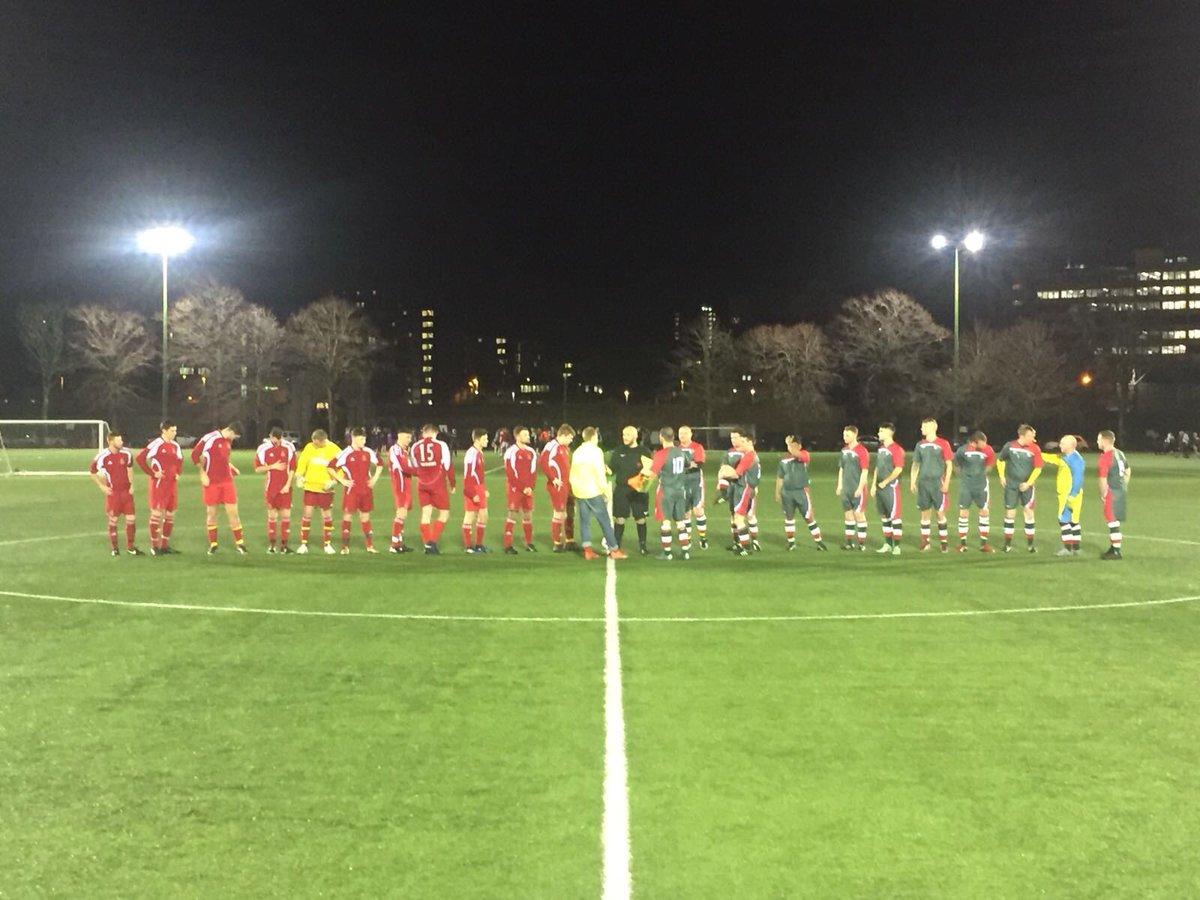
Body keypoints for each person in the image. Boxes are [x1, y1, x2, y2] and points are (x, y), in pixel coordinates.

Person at [570, 427, 628, 560]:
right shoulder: (596, 452)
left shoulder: (577, 452)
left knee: (584, 522)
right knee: (604, 521)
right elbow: (599, 473)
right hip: (593, 491)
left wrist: (575, 489)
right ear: (594, 437)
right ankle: (614, 549)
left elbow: (572, 473)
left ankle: (587, 550)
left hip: (580, 491)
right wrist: (605, 491)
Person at [191, 422, 246, 555]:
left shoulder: (227, 441)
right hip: (212, 483)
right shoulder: (210, 438)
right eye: (235, 436)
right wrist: (202, 474)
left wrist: (232, 468)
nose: (234, 439)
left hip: (227, 482)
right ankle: (213, 544)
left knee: (233, 512)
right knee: (212, 513)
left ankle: (240, 544)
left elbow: (223, 459)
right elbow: (194, 455)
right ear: (231, 431)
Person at [90, 430, 142, 556]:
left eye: (121, 439)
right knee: (113, 520)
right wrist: (101, 486)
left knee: (131, 519)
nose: (121, 442)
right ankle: (115, 548)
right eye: (118, 440)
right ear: (111, 441)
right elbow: (92, 471)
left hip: (126, 492)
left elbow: (129, 468)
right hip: (113, 493)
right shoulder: (102, 456)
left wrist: (132, 486)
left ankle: (131, 547)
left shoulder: (126, 454)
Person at [136, 420, 183, 555]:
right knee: (157, 513)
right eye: (172, 431)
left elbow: (180, 460)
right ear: (164, 431)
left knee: (170, 514)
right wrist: (153, 473)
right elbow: (140, 458)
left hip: (171, 484)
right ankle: (154, 546)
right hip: (159, 484)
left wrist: (178, 473)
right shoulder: (156, 444)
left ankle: (164, 545)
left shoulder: (175, 446)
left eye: (175, 430)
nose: (175, 433)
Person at [333, 427, 382, 553]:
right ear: (353, 438)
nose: (364, 441)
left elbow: (380, 464)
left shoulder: (368, 452)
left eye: (364, 439)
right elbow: (330, 466)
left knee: (365, 517)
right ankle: (345, 547)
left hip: (366, 490)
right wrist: (342, 480)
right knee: (348, 516)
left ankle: (370, 546)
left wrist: (375, 479)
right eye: (361, 439)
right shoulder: (346, 453)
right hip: (352, 490)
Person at [409, 423, 456, 555]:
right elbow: (447, 466)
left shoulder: (415, 446)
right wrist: (452, 484)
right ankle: (432, 542)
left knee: (426, 514)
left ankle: (427, 544)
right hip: (437, 485)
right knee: (444, 514)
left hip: (422, 484)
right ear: (435, 433)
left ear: (423, 433)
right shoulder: (441, 445)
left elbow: (414, 466)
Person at [775, 434, 827, 551]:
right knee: (789, 517)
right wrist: (777, 492)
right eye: (789, 445)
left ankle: (819, 542)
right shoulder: (784, 460)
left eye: (793, 445)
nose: (790, 448)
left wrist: (789, 445)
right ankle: (791, 543)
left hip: (801, 492)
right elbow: (780, 477)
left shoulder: (804, 455)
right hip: (787, 493)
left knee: (809, 517)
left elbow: (796, 454)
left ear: (799, 446)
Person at [996, 423, 1043, 552]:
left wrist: (1028, 483)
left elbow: (1038, 468)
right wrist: (1002, 476)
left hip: (1027, 487)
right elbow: (1000, 460)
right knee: (1010, 513)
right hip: (1011, 485)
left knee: (1028, 512)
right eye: (1031, 436)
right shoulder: (1010, 446)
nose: (1033, 438)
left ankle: (1030, 545)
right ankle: (1007, 544)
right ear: (1022, 435)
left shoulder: (1035, 449)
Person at [293, 429, 341, 555]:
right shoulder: (309, 447)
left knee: (326, 516)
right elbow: (302, 463)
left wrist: (335, 481)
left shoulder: (334, 449)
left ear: (322, 440)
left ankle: (327, 545)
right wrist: (299, 476)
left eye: (316, 443)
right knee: (307, 514)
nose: (314, 444)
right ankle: (303, 544)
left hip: (326, 489)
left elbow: (342, 467)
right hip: (310, 487)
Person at [909, 417, 953, 552]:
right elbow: (916, 464)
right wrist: (912, 481)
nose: (922, 429)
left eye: (924, 426)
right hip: (923, 482)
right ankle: (925, 542)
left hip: (937, 483)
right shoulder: (920, 445)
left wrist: (946, 482)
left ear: (933, 427)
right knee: (925, 513)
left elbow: (949, 464)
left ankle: (944, 542)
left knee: (940, 513)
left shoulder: (943, 444)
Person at [650, 426, 693, 560]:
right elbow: (689, 464)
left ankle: (667, 553)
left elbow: (652, 474)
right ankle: (685, 551)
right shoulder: (681, 452)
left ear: (661, 437)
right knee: (681, 522)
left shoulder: (661, 454)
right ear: (673, 438)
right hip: (680, 491)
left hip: (666, 492)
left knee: (666, 523)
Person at [609, 425, 653, 554]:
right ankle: (617, 546)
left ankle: (643, 547)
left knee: (640, 519)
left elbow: (649, 470)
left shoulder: (644, 451)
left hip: (638, 491)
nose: (624, 437)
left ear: (635, 436)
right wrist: (605, 469)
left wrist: (644, 482)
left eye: (627, 435)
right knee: (620, 519)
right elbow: (612, 469)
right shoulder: (618, 451)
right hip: (621, 490)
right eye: (623, 435)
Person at [718, 426, 761, 557]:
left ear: (748, 442)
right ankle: (743, 545)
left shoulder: (749, 457)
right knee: (737, 518)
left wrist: (724, 473)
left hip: (744, 489)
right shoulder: (750, 456)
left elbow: (736, 474)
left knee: (739, 518)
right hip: (744, 488)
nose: (739, 445)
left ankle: (747, 548)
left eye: (742, 442)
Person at [253, 427, 297, 553]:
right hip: (271, 488)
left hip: (285, 488)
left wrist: (288, 485)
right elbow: (257, 469)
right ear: (270, 437)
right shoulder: (263, 449)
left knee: (286, 517)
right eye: (274, 439)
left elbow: (293, 468)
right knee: (272, 517)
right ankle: (272, 546)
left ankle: (284, 546)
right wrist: (272, 466)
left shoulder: (289, 447)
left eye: (279, 440)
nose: (276, 442)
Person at [1042, 435, 1085, 557]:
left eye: (1062, 443)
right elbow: (1053, 459)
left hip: (1069, 495)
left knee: (1063, 520)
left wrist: (1072, 495)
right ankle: (1076, 548)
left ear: (1071, 445)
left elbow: (1078, 478)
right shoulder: (1067, 457)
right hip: (1073, 494)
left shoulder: (1075, 460)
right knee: (1074, 521)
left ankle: (1067, 548)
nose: (1059, 445)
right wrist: (1036, 453)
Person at [953, 430, 996, 553]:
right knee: (963, 513)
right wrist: (961, 476)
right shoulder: (963, 451)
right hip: (966, 487)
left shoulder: (988, 450)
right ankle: (962, 544)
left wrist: (983, 473)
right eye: (982, 443)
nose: (984, 446)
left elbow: (990, 464)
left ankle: (983, 544)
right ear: (973, 443)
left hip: (981, 486)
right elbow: (956, 463)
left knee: (984, 512)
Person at [539, 424, 577, 552]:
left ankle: (570, 540)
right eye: (570, 438)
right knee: (559, 513)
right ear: (563, 435)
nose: (571, 440)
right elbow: (542, 462)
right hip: (558, 486)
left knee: (570, 512)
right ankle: (557, 543)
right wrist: (553, 478)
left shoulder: (565, 448)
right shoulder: (551, 446)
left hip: (568, 484)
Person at [870, 422, 905, 555]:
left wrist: (886, 482)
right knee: (884, 516)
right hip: (879, 487)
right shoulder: (881, 448)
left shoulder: (896, 449)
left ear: (890, 433)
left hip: (891, 487)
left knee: (894, 517)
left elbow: (898, 469)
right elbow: (877, 467)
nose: (879, 433)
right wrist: (873, 484)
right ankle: (888, 544)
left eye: (881, 431)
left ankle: (897, 546)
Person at [502, 425, 538, 554]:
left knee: (528, 515)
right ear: (517, 436)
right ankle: (507, 545)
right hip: (515, 489)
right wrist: (522, 487)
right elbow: (510, 473)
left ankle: (529, 543)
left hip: (528, 490)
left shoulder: (531, 452)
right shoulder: (511, 452)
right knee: (512, 514)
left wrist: (530, 487)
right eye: (525, 435)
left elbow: (533, 472)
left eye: (528, 435)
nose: (528, 437)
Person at [1097, 429, 1131, 560]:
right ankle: (1114, 547)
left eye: (1099, 439)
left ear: (1105, 441)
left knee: (1112, 521)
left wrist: (1103, 494)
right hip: (1121, 490)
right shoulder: (1120, 453)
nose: (1097, 442)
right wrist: (1124, 484)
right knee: (1114, 520)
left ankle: (1116, 551)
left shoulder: (1105, 457)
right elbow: (1128, 470)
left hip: (1111, 491)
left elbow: (1102, 478)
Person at [836, 425, 870, 550]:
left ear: (855, 435)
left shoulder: (861, 451)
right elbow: (841, 468)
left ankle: (861, 543)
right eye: (844, 435)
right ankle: (849, 542)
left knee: (859, 514)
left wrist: (860, 488)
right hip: (846, 489)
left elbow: (865, 471)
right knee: (848, 515)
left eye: (847, 435)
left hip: (857, 488)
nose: (845, 437)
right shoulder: (844, 450)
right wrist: (840, 485)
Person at [677, 425, 708, 549]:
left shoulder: (697, 447)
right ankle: (688, 538)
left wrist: (684, 465)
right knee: (685, 513)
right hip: (682, 483)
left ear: (690, 434)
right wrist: (690, 464)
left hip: (696, 483)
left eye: (685, 433)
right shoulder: (676, 449)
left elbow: (699, 464)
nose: (682, 436)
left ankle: (702, 537)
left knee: (698, 510)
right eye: (680, 433)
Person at [461, 428, 492, 554]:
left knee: (482, 516)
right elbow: (468, 474)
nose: (487, 441)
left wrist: (483, 489)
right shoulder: (472, 453)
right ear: (478, 440)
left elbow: (477, 474)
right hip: (472, 488)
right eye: (485, 439)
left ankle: (478, 545)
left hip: (478, 487)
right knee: (470, 516)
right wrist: (473, 493)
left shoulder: (479, 453)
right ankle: (469, 547)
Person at [387, 427, 416, 553]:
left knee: (403, 514)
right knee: (401, 513)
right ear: (399, 436)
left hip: (406, 483)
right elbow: (404, 467)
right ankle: (394, 545)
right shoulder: (395, 449)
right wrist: (422, 472)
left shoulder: (404, 451)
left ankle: (398, 542)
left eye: (410, 438)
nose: (409, 440)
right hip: (400, 484)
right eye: (407, 437)